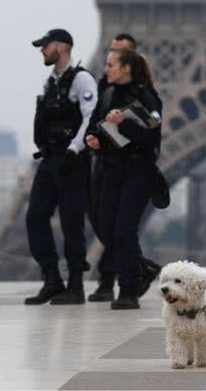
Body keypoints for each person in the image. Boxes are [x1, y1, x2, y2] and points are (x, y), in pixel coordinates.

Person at [24, 29, 98, 305]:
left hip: (72, 160)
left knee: (71, 222)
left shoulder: (82, 79)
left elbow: (91, 118)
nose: (42, 50)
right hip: (50, 158)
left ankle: (76, 285)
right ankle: (52, 278)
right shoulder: (52, 82)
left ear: (63, 46)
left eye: (46, 45)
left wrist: (74, 149)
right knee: (35, 216)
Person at [85, 48, 163, 310]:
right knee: (106, 227)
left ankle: (128, 289)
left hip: (137, 171)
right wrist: (95, 140)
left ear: (126, 68)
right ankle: (142, 268)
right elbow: (98, 126)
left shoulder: (146, 96)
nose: (106, 69)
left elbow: (152, 137)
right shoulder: (107, 94)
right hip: (112, 169)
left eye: (111, 65)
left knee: (124, 230)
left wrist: (123, 124)